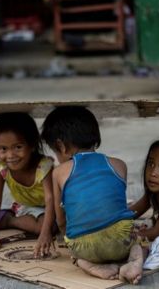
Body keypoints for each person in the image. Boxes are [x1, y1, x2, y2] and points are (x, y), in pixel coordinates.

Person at [41, 106, 143, 284]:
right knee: (136, 241)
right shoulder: (119, 165)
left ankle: (87, 264)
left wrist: (69, 240)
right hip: (120, 243)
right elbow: (114, 205)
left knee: (75, 251)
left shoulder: (59, 172)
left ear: (61, 146)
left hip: (82, 246)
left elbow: (61, 220)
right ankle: (134, 262)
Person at [0, 112, 56, 258]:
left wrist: (45, 234)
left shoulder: (43, 166)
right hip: (24, 206)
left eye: (17, 147)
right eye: (3, 149)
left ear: (32, 145)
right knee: (42, 226)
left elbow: (51, 199)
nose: (10, 155)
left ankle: (6, 219)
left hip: (52, 206)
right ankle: (7, 219)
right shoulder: (1, 166)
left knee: (51, 227)